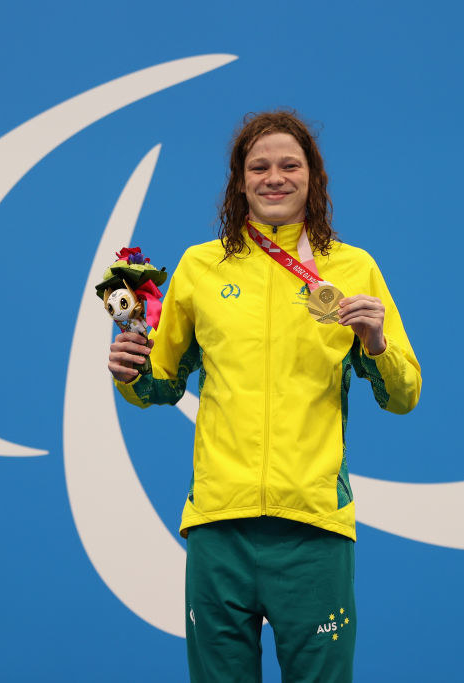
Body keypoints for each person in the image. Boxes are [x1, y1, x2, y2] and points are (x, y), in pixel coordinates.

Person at [108, 110, 421, 682]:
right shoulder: (200, 268)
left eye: (288, 165)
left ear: (312, 177)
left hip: (313, 529)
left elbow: (404, 396)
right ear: (239, 181)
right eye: (258, 167)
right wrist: (131, 373)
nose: (273, 177)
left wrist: (375, 342)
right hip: (218, 525)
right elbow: (162, 383)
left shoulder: (353, 268)